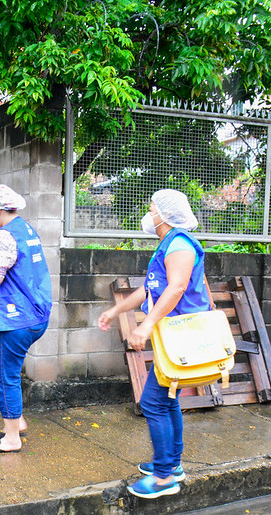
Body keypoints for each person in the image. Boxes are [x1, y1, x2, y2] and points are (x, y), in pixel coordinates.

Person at [97, 189, 207, 498]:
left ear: (164, 214)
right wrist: (116, 310)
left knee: (153, 402)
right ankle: (171, 466)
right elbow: (149, 290)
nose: (149, 214)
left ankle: (162, 479)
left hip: (182, 333)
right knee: (167, 398)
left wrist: (144, 327)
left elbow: (176, 289)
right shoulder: (168, 244)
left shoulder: (180, 244)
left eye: (152, 208)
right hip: (171, 334)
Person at [0, 184, 52, 453]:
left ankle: (12, 439)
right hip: (30, 314)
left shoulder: (4, 236)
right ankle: (18, 422)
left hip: (13, 318)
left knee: (5, 374)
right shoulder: (26, 229)